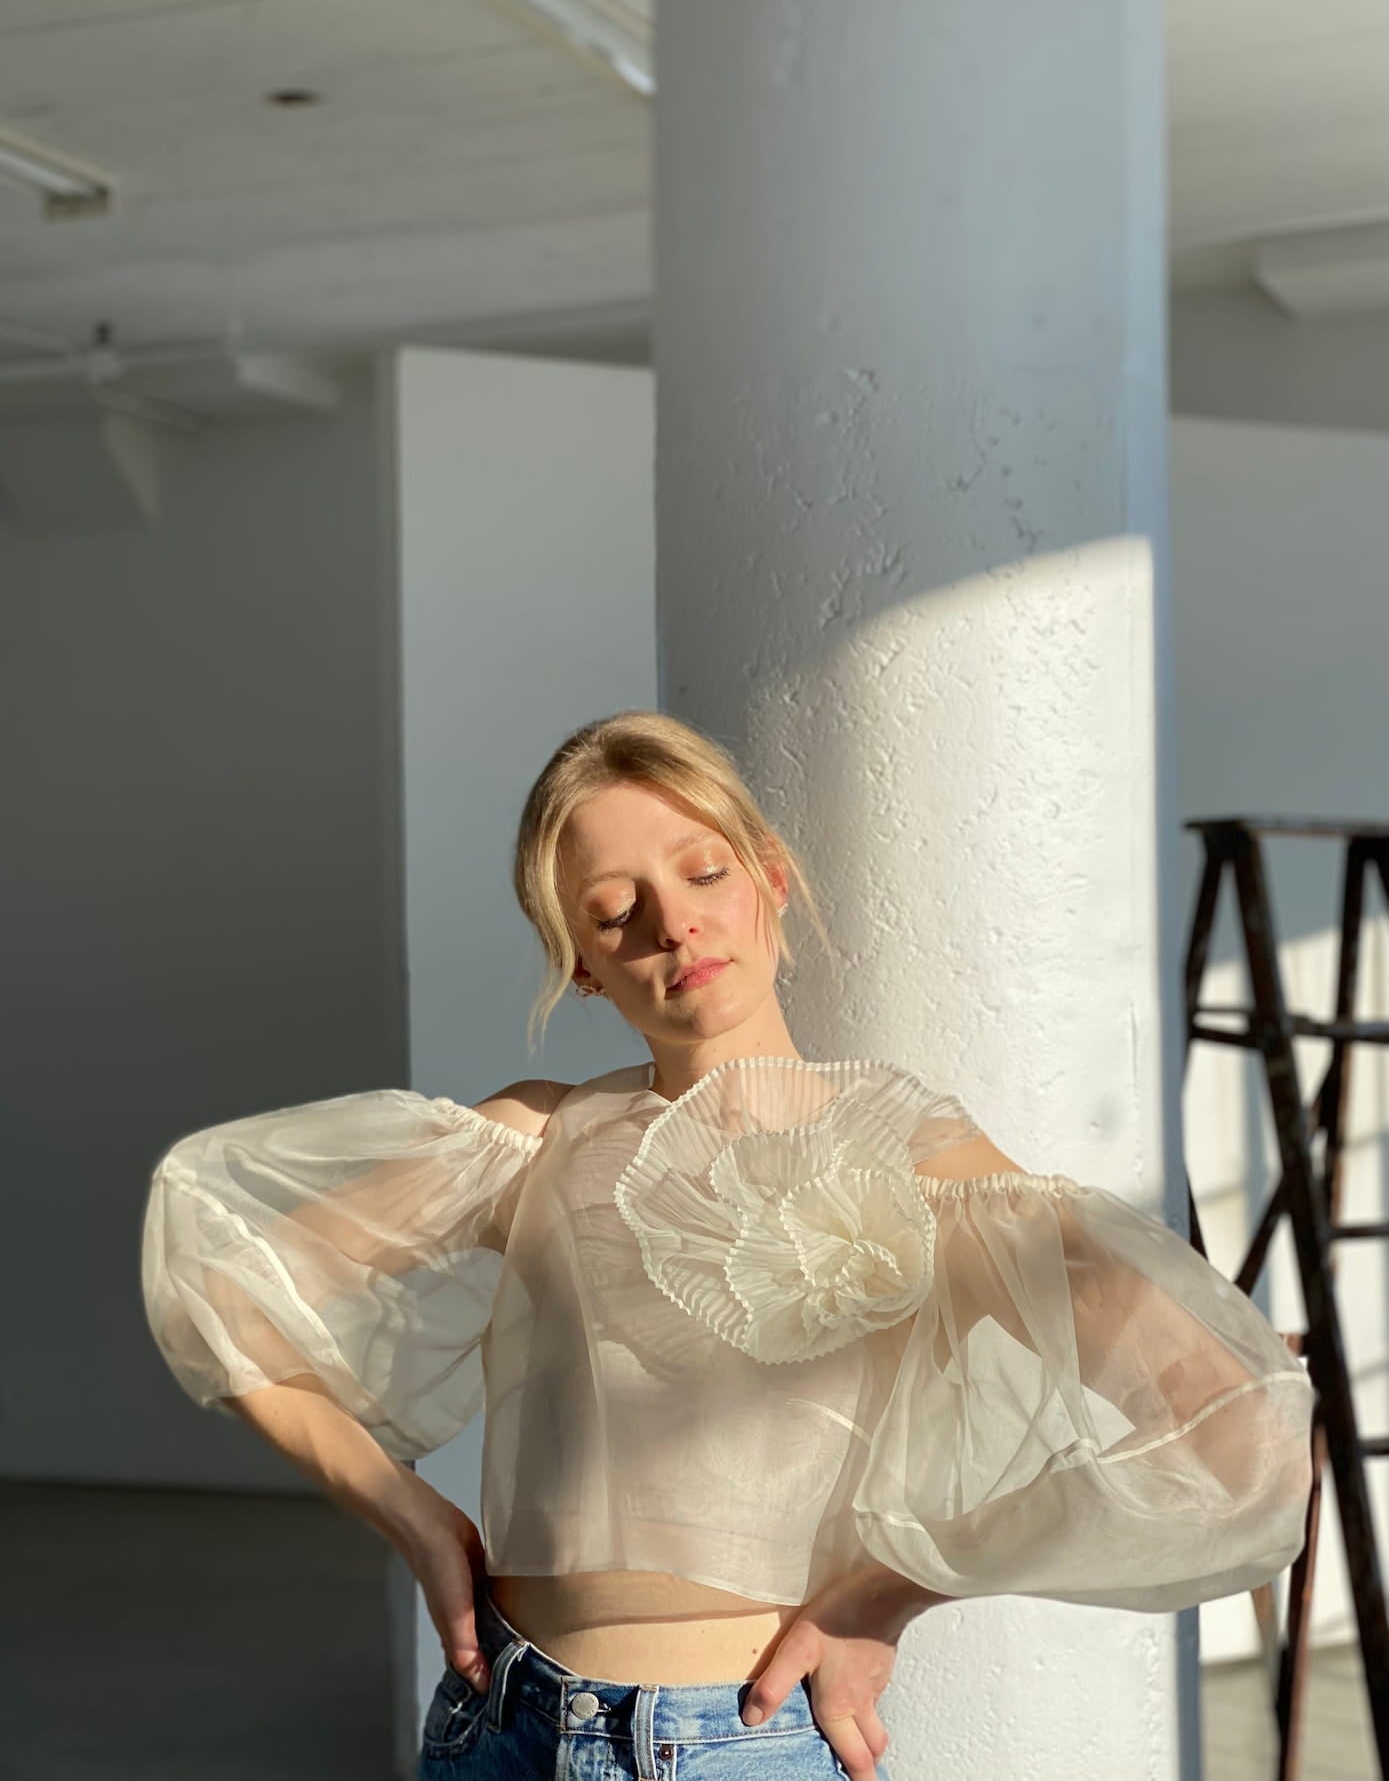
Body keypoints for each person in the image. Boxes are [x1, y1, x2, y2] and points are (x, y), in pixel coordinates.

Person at [141, 710, 1317, 1781]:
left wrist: (890, 1590)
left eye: (703, 870)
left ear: (770, 879)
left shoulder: (912, 1152)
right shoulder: (535, 1138)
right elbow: (221, 1287)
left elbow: (1235, 1426)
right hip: (497, 1723)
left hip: (739, 1744)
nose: (673, 921)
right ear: (583, 970)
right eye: (613, 911)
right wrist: (409, 1512)